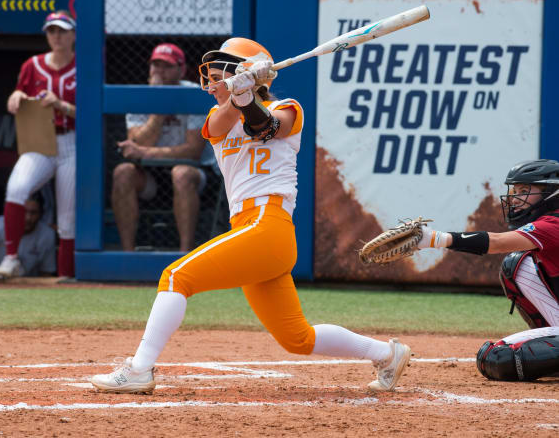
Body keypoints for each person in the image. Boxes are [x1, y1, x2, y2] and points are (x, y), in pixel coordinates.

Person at [91, 37, 412, 394]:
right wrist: (239, 94)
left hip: (268, 225)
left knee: (175, 277)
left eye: (219, 77)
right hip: (250, 232)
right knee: (297, 338)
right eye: (210, 78)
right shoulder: (217, 117)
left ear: (248, 73)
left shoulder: (290, 108)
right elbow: (224, 122)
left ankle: (139, 369)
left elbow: (266, 126)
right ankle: (387, 354)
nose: (213, 85)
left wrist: (248, 95)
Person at [415, 159, 559, 380]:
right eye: (515, 190)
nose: (515, 198)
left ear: (551, 193)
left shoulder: (553, 224)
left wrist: (436, 239)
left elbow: (498, 242)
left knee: (496, 358)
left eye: (524, 190)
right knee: (516, 264)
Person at [0, 11, 76, 280]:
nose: (57, 36)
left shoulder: (83, 65)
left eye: (62, 31)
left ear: (73, 34)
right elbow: (19, 94)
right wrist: (16, 96)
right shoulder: (33, 64)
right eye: (52, 31)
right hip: (40, 139)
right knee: (16, 188)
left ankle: (66, 275)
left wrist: (61, 105)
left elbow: (93, 114)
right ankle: (11, 258)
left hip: (72, 141)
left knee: (66, 217)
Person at [112, 43, 207, 252]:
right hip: (150, 176)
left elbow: (193, 150)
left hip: (192, 171)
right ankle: (127, 255)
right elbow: (137, 143)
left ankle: (185, 254)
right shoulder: (141, 96)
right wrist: (159, 105)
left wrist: (144, 152)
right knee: (123, 172)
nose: (159, 71)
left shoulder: (193, 93)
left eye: (167, 66)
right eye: (155, 65)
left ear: (181, 70)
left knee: (181, 174)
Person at [0, 194, 56, 276]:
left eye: (33, 213)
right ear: (15, 211)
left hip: (27, 285)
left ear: (41, 214)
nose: (28, 218)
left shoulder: (47, 234)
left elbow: (46, 271)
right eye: (24, 211)